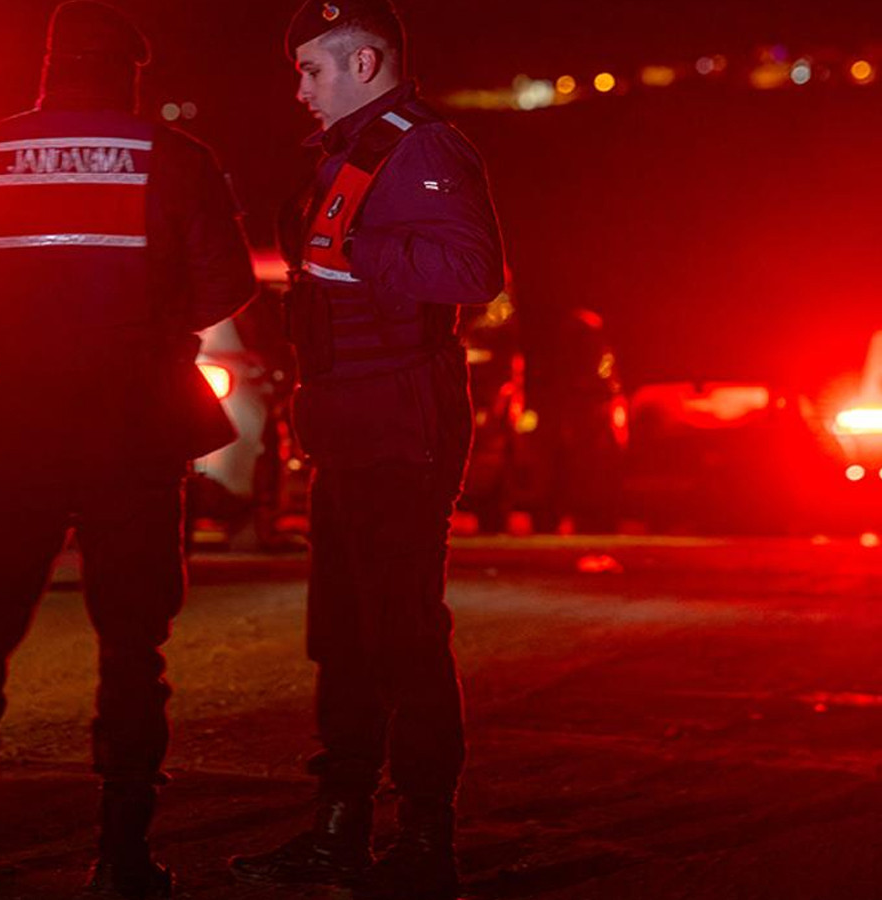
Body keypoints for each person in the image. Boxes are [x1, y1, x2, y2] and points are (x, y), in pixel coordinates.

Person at [0, 2, 255, 896]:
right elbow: (225, 282)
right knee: (134, 644)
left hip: (22, 416)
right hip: (136, 420)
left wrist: (28, 318)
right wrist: (144, 323)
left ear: (51, 65)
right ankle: (122, 857)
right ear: (128, 73)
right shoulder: (176, 157)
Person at [228, 2, 505, 898]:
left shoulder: (421, 148)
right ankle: (339, 832)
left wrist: (355, 248)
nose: (299, 89)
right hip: (348, 425)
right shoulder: (353, 151)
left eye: (311, 69)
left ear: (365, 62)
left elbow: (475, 272)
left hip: (400, 426)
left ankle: (426, 842)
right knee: (343, 639)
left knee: (403, 635)